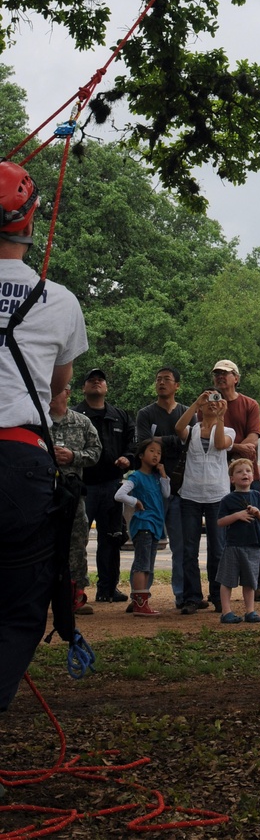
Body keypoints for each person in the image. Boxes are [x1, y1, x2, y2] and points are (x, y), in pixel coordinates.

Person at [0, 161, 88, 709]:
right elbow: (60, 388)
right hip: (20, 462)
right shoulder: (59, 301)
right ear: (31, 220)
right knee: (20, 607)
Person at [209, 360, 260, 603]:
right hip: (216, 474)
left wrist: (237, 448)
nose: (220, 378)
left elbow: (254, 435)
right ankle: (224, 586)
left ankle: (259, 583)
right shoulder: (210, 404)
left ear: (236, 377)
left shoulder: (249, 404)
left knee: (257, 529)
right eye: (217, 374)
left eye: (225, 374)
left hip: (246, 473)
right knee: (224, 532)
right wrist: (237, 446)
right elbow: (211, 436)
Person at [74, 366, 134, 603]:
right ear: (83, 388)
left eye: (100, 380)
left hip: (112, 486)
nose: (96, 382)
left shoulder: (120, 416)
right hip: (82, 487)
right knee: (77, 540)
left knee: (111, 539)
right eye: (91, 380)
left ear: (106, 387)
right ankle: (75, 590)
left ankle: (108, 589)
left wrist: (128, 458)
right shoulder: (74, 416)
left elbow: (133, 442)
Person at [175, 389, 234, 614]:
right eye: (209, 400)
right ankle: (192, 597)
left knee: (217, 549)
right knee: (189, 550)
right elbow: (178, 428)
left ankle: (218, 595)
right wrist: (196, 403)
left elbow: (220, 444)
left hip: (217, 496)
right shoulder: (192, 430)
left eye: (217, 400)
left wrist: (219, 417)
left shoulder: (228, 430)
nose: (212, 403)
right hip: (190, 495)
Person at [135, 366, 187, 609]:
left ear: (177, 385)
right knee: (148, 547)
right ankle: (141, 597)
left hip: (179, 486)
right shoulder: (145, 414)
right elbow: (143, 444)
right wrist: (173, 441)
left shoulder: (187, 413)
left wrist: (159, 442)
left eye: (167, 379)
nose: (161, 383)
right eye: (158, 379)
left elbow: (188, 444)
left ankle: (182, 595)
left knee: (180, 546)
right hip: (150, 489)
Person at [49, 381, 101, 615]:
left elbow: (96, 452)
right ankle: (39, 596)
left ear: (67, 393)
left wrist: (73, 456)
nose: (51, 393)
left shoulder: (81, 422)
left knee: (77, 541)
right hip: (41, 492)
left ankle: (75, 595)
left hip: (71, 492)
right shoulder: (36, 421)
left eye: (56, 388)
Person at [115, 436, 170, 616]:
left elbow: (166, 493)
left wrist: (163, 475)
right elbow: (119, 495)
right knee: (142, 564)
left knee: (149, 565)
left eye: (159, 453)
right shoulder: (136, 476)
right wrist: (135, 501)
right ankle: (140, 604)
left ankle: (141, 601)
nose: (156, 455)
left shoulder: (155, 477)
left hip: (155, 524)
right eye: (152, 451)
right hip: (144, 524)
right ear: (141, 455)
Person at [216, 457, 260, 623]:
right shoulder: (228, 499)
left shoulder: (256, 496)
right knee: (227, 579)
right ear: (232, 479)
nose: (244, 474)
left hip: (253, 544)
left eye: (248, 471)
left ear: (252, 476)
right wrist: (236, 515)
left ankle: (250, 611)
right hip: (233, 545)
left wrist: (258, 513)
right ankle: (226, 612)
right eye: (239, 472)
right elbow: (220, 521)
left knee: (250, 581)